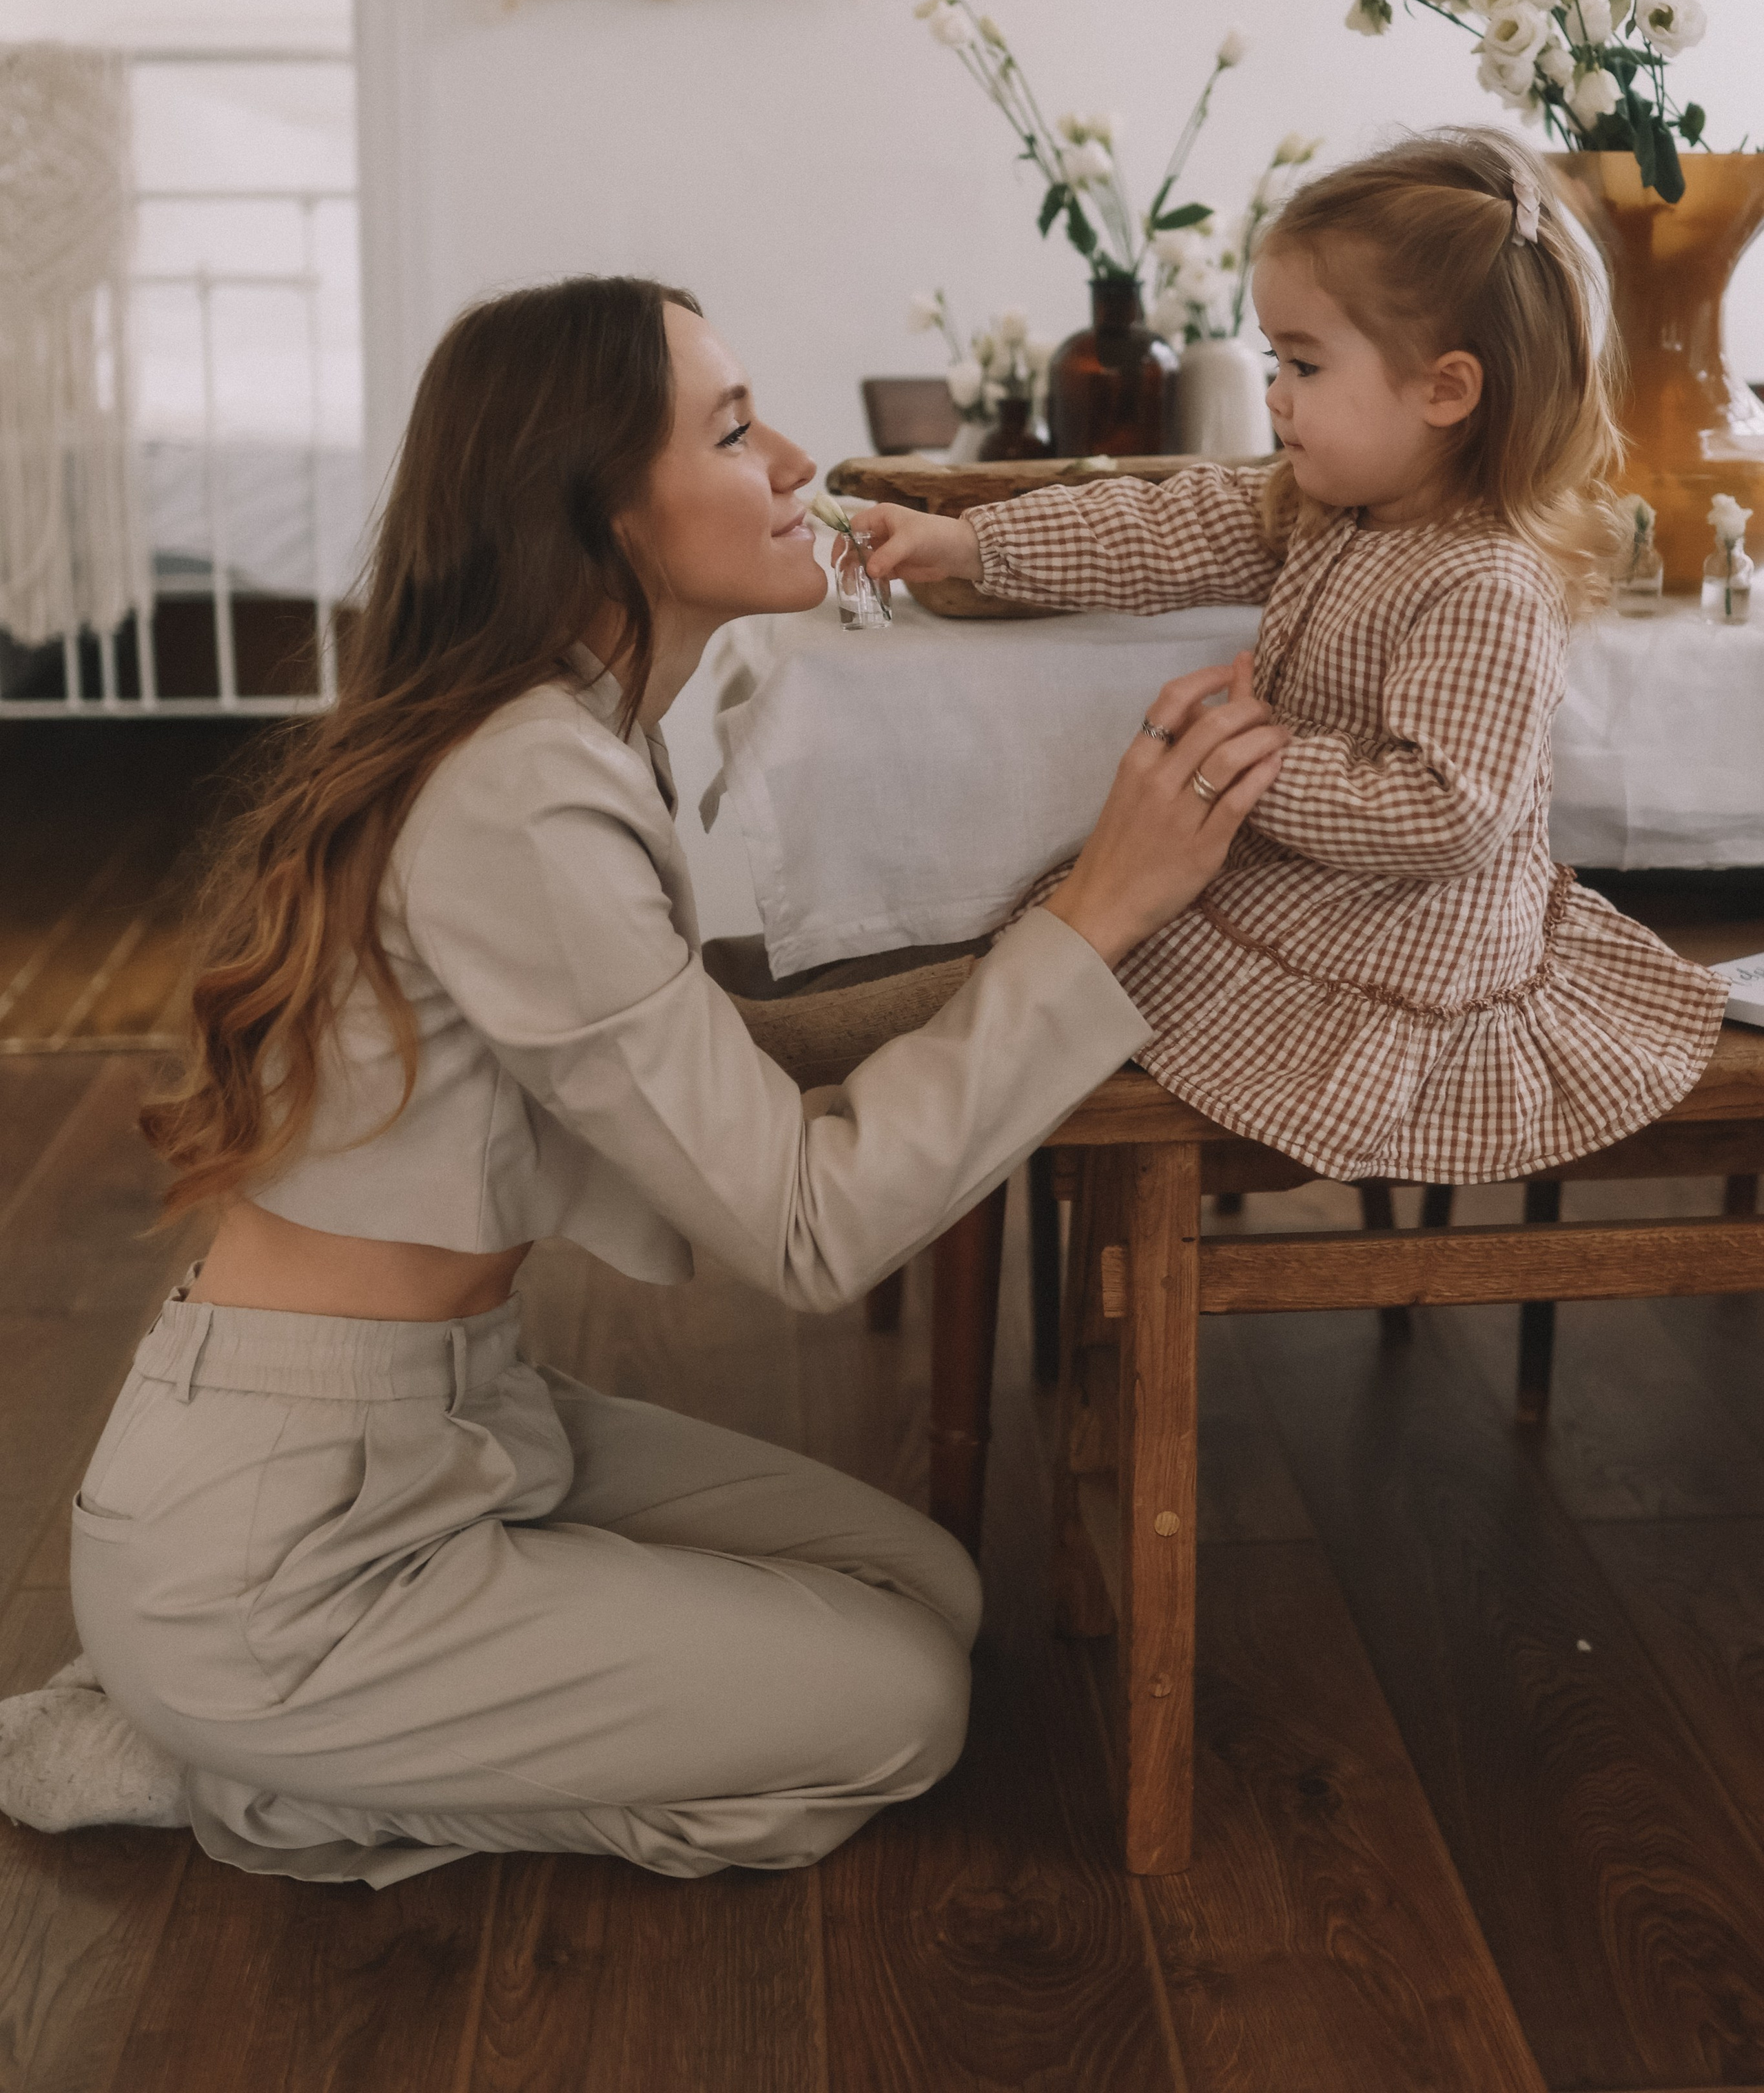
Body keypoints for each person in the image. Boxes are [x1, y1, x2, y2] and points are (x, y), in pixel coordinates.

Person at [0, 276, 1285, 1885]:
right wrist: (1096, 914)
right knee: (902, 1707)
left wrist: (1024, 958)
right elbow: (808, 1228)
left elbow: (690, 1049)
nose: (798, 459)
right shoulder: (519, 793)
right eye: (736, 429)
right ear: (600, 508)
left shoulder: (561, 730)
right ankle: (219, 1760)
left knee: (932, 1593)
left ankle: (318, 1710)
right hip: (288, 1545)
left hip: (449, 1418)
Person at [862, 130, 1726, 1186]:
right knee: (1085, 931)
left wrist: (1245, 765)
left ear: (1446, 390)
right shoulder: (1329, 506)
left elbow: (1445, 810)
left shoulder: (1487, 582)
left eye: (1304, 364)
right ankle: (894, 1027)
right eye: (1276, 359)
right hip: (1312, 887)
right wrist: (969, 544)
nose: (1275, 393)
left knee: (1110, 945)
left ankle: (891, 1039)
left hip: (1399, 932)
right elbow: (1159, 530)